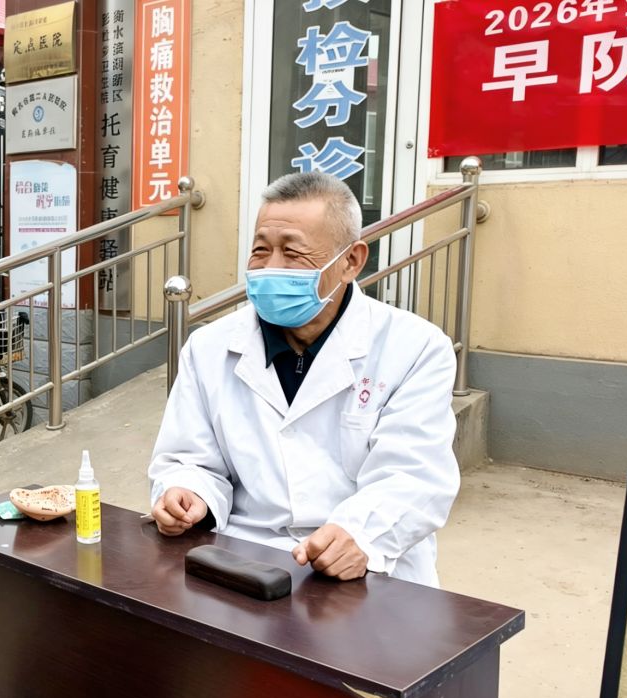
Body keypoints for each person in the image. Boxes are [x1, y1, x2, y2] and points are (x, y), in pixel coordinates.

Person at [148, 172, 460, 587]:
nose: (271, 268)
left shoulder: (415, 348)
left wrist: (359, 535)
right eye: (261, 250)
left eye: (293, 253)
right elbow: (190, 459)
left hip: (368, 571)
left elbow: (413, 476)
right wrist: (188, 492)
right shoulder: (208, 347)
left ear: (351, 261)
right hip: (246, 561)